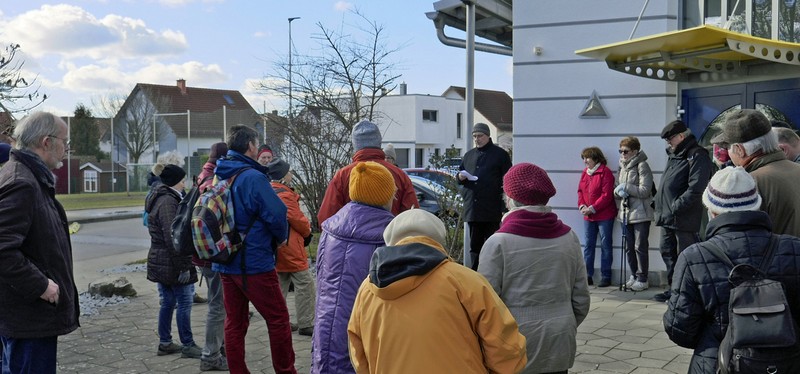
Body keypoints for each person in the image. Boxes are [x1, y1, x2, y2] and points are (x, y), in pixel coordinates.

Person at [349, 208, 527, 374]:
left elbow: (359, 358)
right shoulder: (465, 281)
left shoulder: (367, 290)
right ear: (438, 239)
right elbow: (506, 351)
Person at [663, 166, 800, 373]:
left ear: (711, 210)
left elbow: (680, 329)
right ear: (757, 204)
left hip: (717, 364)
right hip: (787, 364)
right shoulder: (794, 248)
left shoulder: (693, 257)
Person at [479, 163, 589, 373]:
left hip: (514, 341)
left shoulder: (498, 243)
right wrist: (564, 322)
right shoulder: (569, 237)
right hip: (559, 337)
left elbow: (486, 305)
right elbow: (581, 298)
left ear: (510, 198)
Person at [0, 112, 79, 374]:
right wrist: (41, 285)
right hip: (29, 316)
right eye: (65, 142)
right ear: (46, 142)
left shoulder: (28, 176)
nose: (66, 149)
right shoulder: (22, 182)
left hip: (29, 315)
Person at [213, 124, 295, 374]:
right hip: (254, 262)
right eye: (256, 144)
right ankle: (286, 371)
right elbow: (277, 212)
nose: (258, 148)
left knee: (235, 322)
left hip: (225, 259)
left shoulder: (221, 173)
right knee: (279, 319)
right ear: (250, 146)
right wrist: (282, 238)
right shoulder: (253, 177)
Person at [313, 161, 397, 374]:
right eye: (392, 192)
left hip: (326, 328)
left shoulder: (330, 229)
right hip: (364, 334)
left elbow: (321, 279)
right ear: (383, 197)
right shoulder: (390, 236)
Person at [711, 109, 800, 237]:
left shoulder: (749, 182)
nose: (728, 153)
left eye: (727, 147)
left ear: (739, 149)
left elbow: (740, 243)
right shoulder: (796, 169)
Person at [145, 163, 202, 359]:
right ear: (176, 182)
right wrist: (184, 266)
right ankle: (187, 344)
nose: (185, 182)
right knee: (184, 301)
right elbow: (174, 239)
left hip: (162, 259)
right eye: (183, 179)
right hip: (170, 261)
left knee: (168, 301)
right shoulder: (168, 203)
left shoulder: (162, 198)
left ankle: (165, 342)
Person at [653, 120, 712, 302]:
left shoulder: (697, 155)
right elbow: (667, 184)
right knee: (668, 253)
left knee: (685, 257)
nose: (668, 142)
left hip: (683, 219)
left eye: (670, 138)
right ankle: (674, 290)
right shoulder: (675, 155)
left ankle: (688, 293)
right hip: (667, 216)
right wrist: (657, 203)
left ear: (681, 136)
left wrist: (676, 206)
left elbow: (696, 188)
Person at [317, 119, 418, 225]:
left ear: (355, 144)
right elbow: (413, 216)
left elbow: (326, 218)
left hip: (352, 239)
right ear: (378, 142)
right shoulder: (399, 175)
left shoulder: (343, 175)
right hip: (389, 238)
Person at [267, 159, 315, 337]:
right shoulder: (284, 195)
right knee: (306, 284)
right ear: (283, 175)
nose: (291, 174)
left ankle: (280, 322)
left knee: (281, 283)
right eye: (289, 172)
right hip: (290, 247)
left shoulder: (270, 190)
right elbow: (297, 219)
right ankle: (306, 323)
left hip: (278, 247)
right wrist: (308, 230)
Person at [193, 141, 229, 371]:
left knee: (219, 304)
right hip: (213, 255)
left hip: (203, 254)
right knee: (218, 305)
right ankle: (210, 356)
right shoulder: (212, 181)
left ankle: (219, 351)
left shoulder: (202, 176)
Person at [458, 122, 512, 270]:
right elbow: (460, 174)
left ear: (488, 136)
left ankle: (492, 273)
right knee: (474, 247)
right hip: (473, 209)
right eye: (474, 136)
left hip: (492, 209)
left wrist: (504, 206)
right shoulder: (469, 155)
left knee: (493, 245)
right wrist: (460, 178)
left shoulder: (500, 155)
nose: (477, 139)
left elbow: (508, 181)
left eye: (480, 136)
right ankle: (475, 275)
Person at [614, 137, 655, 291]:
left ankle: (643, 278)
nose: (623, 154)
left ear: (635, 151)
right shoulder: (622, 167)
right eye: (621, 151)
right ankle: (633, 275)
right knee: (628, 247)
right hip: (625, 213)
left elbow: (645, 190)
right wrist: (618, 191)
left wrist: (627, 187)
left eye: (626, 151)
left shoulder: (642, 165)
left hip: (641, 213)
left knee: (640, 246)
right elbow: (617, 188)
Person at [577, 146, 617, 287]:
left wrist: (592, 208)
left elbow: (606, 195)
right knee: (589, 245)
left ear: (595, 158)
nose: (585, 161)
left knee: (606, 245)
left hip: (604, 215)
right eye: (584, 158)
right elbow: (580, 191)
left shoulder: (605, 173)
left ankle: (606, 276)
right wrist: (582, 206)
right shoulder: (585, 173)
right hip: (589, 216)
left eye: (587, 158)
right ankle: (588, 275)